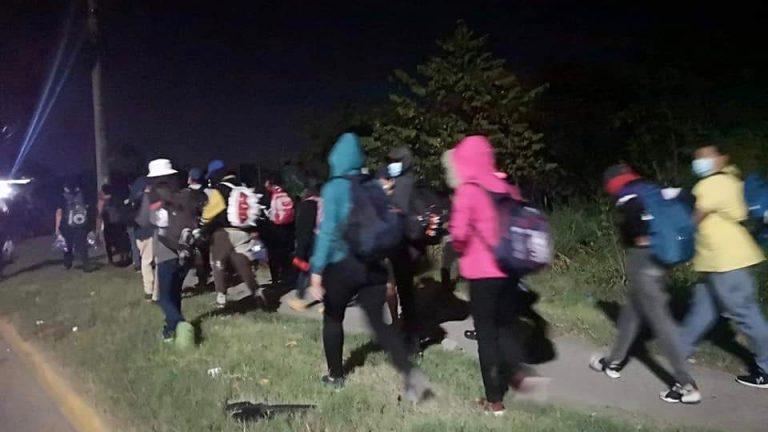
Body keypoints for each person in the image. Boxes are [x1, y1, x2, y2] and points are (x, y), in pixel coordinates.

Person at [308, 132, 431, 402]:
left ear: (336, 159)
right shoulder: (373, 185)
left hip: (341, 266)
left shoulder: (334, 188)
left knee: (333, 318)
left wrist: (316, 271)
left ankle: (336, 376)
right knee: (380, 323)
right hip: (372, 264)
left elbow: (328, 231)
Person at [590, 164, 701, 404]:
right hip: (662, 259)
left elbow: (635, 225)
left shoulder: (628, 196)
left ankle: (686, 384)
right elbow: (689, 197)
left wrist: (642, 239)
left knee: (661, 323)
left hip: (644, 261)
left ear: (613, 183)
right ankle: (614, 361)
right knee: (632, 312)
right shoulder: (652, 189)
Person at [446, 135, 529, 416]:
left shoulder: (468, 191)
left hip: (482, 274)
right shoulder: (508, 188)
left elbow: (457, 235)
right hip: (509, 270)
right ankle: (519, 375)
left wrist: (460, 245)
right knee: (506, 325)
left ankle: (494, 401)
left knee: (486, 335)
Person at [680, 144, 768, 388]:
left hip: (727, 261)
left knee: (746, 315)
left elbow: (694, 219)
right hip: (718, 261)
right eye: (697, 157)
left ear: (721, 158)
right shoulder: (731, 178)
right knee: (702, 311)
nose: (700, 161)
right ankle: (678, 352)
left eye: (706, 157)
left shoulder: (712, 184)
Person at [137, 159, 193, 341]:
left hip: (166, 248)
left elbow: (145, 220)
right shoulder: (182, 192)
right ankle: (170, 331)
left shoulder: (154, 194)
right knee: (175, 292)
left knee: (163, 296)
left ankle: (180, 324)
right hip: (186, 248)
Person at [200, 166, 262, 308]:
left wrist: (202, 225)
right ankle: (257, 292)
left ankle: (221, 298)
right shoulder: (243, 188)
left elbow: (209, 213)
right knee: (243, 264)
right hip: (243, 232)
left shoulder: (219, 190)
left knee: (218, 263)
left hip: (224, 233)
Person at [385, 147, 421, 352]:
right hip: (409, 247)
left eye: (395, 160)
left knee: (402, 293)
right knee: (404, 292)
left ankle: (410, 340)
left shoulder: (402, 185)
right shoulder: (412, 182)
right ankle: (405, 331)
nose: (392, 164)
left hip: (400, 246)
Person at [287, 178, 322, 311]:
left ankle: (300, 299)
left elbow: (305, 230)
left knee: (306, 270)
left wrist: (300, 252)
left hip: (314, 242)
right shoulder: (326, 203)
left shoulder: (308, 205)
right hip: (329, 240)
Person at [54, 178, 93, 272]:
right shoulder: (81, 195)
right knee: (82, 244)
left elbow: (59, 213)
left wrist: (57, 227)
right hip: (81, 223)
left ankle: (68, 262)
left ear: (65, 187)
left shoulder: (62, 197)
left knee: (68, 244)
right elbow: (87, 208)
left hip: (66, 225)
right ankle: (86, 265)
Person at [263, 176, 296, 287]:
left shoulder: (270, 195)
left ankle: (275, 279)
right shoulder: (287, 193)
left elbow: (268, 212)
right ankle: (288, 277)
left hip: (274, 229)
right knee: (286, 254)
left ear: (269, 184)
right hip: (288, 229)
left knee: (273, 255)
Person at [97, 183, 131, 266]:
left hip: (108, 224)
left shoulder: (102, 201)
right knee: (121, 241)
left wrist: (98, 227)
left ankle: (110, 260)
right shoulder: (117, 198)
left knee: (108, 243)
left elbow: (99, 215)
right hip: (119, 223)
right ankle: (124, 257)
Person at [187, 168, 210, 289]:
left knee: (195, 255)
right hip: (205, 226)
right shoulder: (207, 193)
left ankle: (201, 282)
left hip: (190, 227)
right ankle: (204, 278)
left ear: (190, 179)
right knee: (203, 254)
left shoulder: (185, 193)